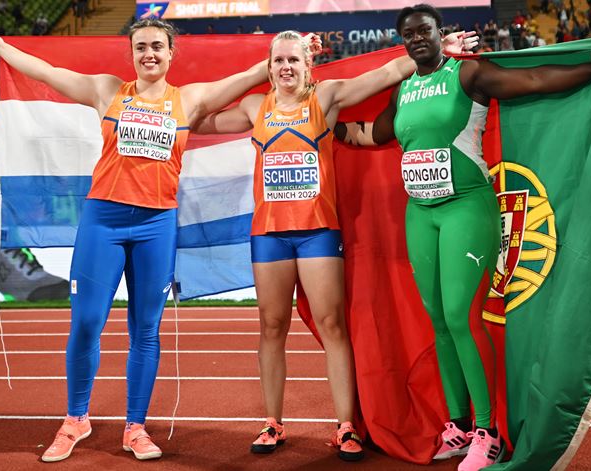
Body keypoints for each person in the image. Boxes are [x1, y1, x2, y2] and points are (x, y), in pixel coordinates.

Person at [0, 18, 278, 462]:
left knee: (146, 329)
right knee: (86, 323)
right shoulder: (108, 90)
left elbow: (246, 78)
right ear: (132, 52)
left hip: (156, 226)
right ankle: (76, 420)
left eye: (157, 46)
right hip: (103, 220)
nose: (150, 54)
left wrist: (289, 51)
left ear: (171, 52)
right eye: (141, 47)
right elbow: (48, 73)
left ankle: (135, 428)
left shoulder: (190, 98)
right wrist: (5, 49)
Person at [332, 4, 591, 470]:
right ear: (403, 41)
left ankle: (489, 433)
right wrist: (319, 123)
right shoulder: (403, 91)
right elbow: (368, 135)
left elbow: (536, 81)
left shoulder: (469, 75)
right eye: (409, 33)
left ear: (442, 35)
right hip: (420, 213)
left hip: (467, 207)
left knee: (463, 317)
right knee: (438, 320)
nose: (417, 38)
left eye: (425, 31)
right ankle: (459, 427)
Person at [194, 28, 477, 462]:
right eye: (278, 61)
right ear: (268, 68)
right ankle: (272, 422)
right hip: (269, 235)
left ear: (308, 67)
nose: (286, 67)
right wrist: (254, 70)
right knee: (272, 328)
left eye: (293, 60)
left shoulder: (323, 98)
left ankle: (346, 426)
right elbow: (197, 114)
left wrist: (440, 48)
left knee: (333, 326)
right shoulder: (255, 107)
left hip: (317, 233)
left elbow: (388, 72)